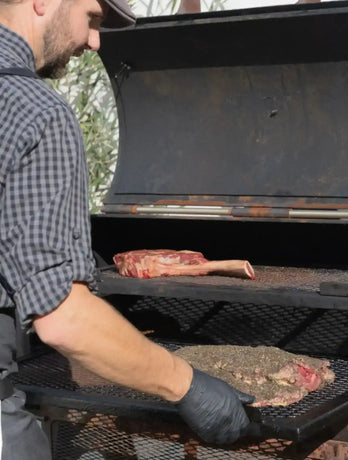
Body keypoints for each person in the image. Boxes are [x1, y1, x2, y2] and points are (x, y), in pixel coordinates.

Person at [0, 0, 254, 457]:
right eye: (92, 18)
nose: (94, 40)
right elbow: (62, 317)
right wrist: (188, 385)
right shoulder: (37, 112)